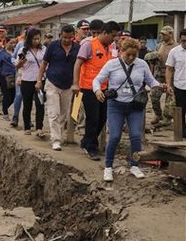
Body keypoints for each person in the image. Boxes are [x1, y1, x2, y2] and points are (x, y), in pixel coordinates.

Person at [93, 38, 165, 181]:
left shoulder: (142, 64)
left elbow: (151, 81)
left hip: (135, 106)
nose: (131, 58)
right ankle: (108, 167)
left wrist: (161, 86)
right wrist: (97, 91)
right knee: (114, 136)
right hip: (116, 105)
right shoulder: (111, 64)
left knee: (135, 135)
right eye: (128, 55)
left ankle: (134, 165)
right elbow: (97, 80)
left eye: (134, 55)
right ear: (122, 52)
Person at [73, 20, 121, 160]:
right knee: (92, 118)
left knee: (103, 117)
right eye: (113, 35)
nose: (114, 39)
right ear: (104, 33)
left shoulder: (111, 47)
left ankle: (87, 142)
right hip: (88, 88)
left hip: (105, 88)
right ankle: (91, 147)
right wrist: (75, 84)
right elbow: (77, 64)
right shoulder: (88, 45)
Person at [36, 25, 80, 151]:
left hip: (68, 85)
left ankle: (59, 135)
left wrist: (77, 83)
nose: (67, 40)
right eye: (65, 37)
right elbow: (44, 64)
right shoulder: (53, 46)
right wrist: (39, 80)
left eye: (70, 37)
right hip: (52, 82)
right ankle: (55, 140)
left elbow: (80, 66)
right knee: (53, 112)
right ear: (60, 35)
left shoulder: (77, 48)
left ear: (73, 36)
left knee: (63, 113)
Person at [15, 28, 47, 136]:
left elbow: (47, 63)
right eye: (34, 39)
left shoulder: (43, 49)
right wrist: (20, 62)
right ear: (29, 39)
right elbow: (17, 66)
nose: (37, 41)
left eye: (38, 39)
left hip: (40, 80)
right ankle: (27, 127)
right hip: (27, 80)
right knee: (27, 104)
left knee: (40, 104)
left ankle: (39, 128)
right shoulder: (23, 50)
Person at [150, 26, 178, 125]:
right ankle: (158, 114)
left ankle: (168, 118)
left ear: (170, 34)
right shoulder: (159, 46)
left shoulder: (176, 47)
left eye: (164, 34)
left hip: (172, 75)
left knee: (169, 98)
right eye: (161, 34)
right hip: (159, 74)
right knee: (154, 95)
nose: (162, 36)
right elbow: (154, 61)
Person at [166, 29, 186, 138]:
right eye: (183, 41)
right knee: (180, 111)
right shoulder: (174, 51)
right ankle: (181, 133)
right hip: (180, 86)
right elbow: (169, 68)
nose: (185, 43)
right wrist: (168, 85)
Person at [0, 37, 17, 121]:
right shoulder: (2, 52)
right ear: (6, 43)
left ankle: (4, 108)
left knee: (13, 95)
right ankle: (5, 113)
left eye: (14, 43)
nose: (12, 45)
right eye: (11, 43)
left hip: (14, 76)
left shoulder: (15, 52)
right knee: (6, 95)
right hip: (3, 76)